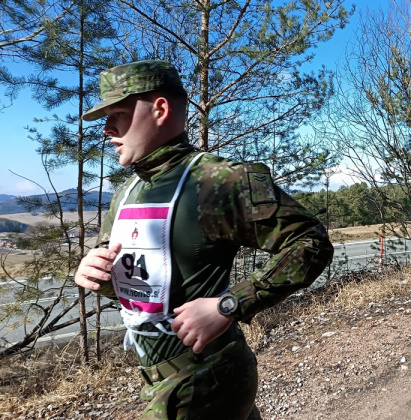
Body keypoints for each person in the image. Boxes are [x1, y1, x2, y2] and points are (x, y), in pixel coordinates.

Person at [73, 60, 334, 419]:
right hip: (158, 380)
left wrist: (228, 305)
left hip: (207, 380)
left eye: (118, 113)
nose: (107, 129)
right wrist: (95, 273)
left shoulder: (217, 180)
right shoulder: (126, 193)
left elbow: (310, 241)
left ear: (160, 109)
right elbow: (137, 285)